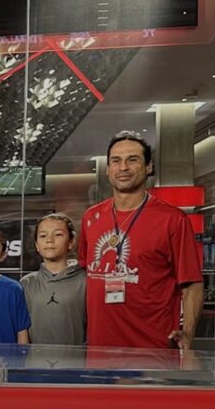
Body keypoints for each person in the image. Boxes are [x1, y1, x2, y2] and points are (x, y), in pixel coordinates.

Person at [78, 131, 203, 349]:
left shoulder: (172, 219)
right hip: (99, 348)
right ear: (108, 169)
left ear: (148, 167)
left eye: (132, 160)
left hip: (152, 349)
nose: (123, 167)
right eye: (116, 161)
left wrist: (189, 333)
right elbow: (83, 274)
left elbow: (191, 284)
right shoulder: (91, 217)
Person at [21, 213, 86, 346]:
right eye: (43, 236)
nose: (49, 240)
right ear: (37, 245)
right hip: (35, 362)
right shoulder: (27, 283)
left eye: (58, 234)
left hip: (76, 362)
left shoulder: (86, 281)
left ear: (71, 242)